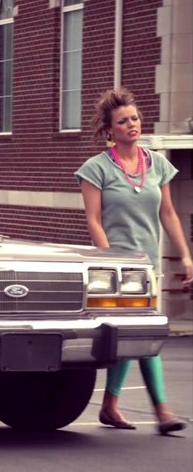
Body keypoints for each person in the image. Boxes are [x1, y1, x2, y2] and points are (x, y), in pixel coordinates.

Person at [75, 88, 193, 436]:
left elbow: (168, 213)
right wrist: (110, 261)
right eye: (123, 121)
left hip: (148, 267)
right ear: (110, 129)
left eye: (135, 118)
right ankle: (162, 411)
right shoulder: (95, 169)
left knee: (134, 336)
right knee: (141, 336)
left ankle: (110, 404)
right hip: (117, 269)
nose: (132, 125)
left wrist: (186, 255)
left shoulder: (157, 163)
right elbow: (93, 219)